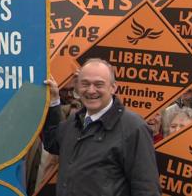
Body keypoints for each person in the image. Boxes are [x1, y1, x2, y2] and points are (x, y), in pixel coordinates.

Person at [43, 58, 160, 196]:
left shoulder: (134, 128)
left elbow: (146, 188)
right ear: (76, 86)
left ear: (113, 87)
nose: (91, 90)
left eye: (99, 84)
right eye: (85, 84)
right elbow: (52, 142)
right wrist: (54, 102)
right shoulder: (73, 122)